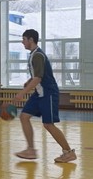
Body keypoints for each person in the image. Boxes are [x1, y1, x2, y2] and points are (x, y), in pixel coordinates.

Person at [13, 29, 76, 163]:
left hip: (48, 92)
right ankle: (31, 150)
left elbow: (38, 78)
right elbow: (37, 75)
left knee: (48, 124)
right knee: (24, 116)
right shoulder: (34, 54)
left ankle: (68, 152)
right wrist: (29, 81)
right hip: (39, 93)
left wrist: (22, 93)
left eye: (24, 39)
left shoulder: (38, 55)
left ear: (31, 40)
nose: (22, 42)